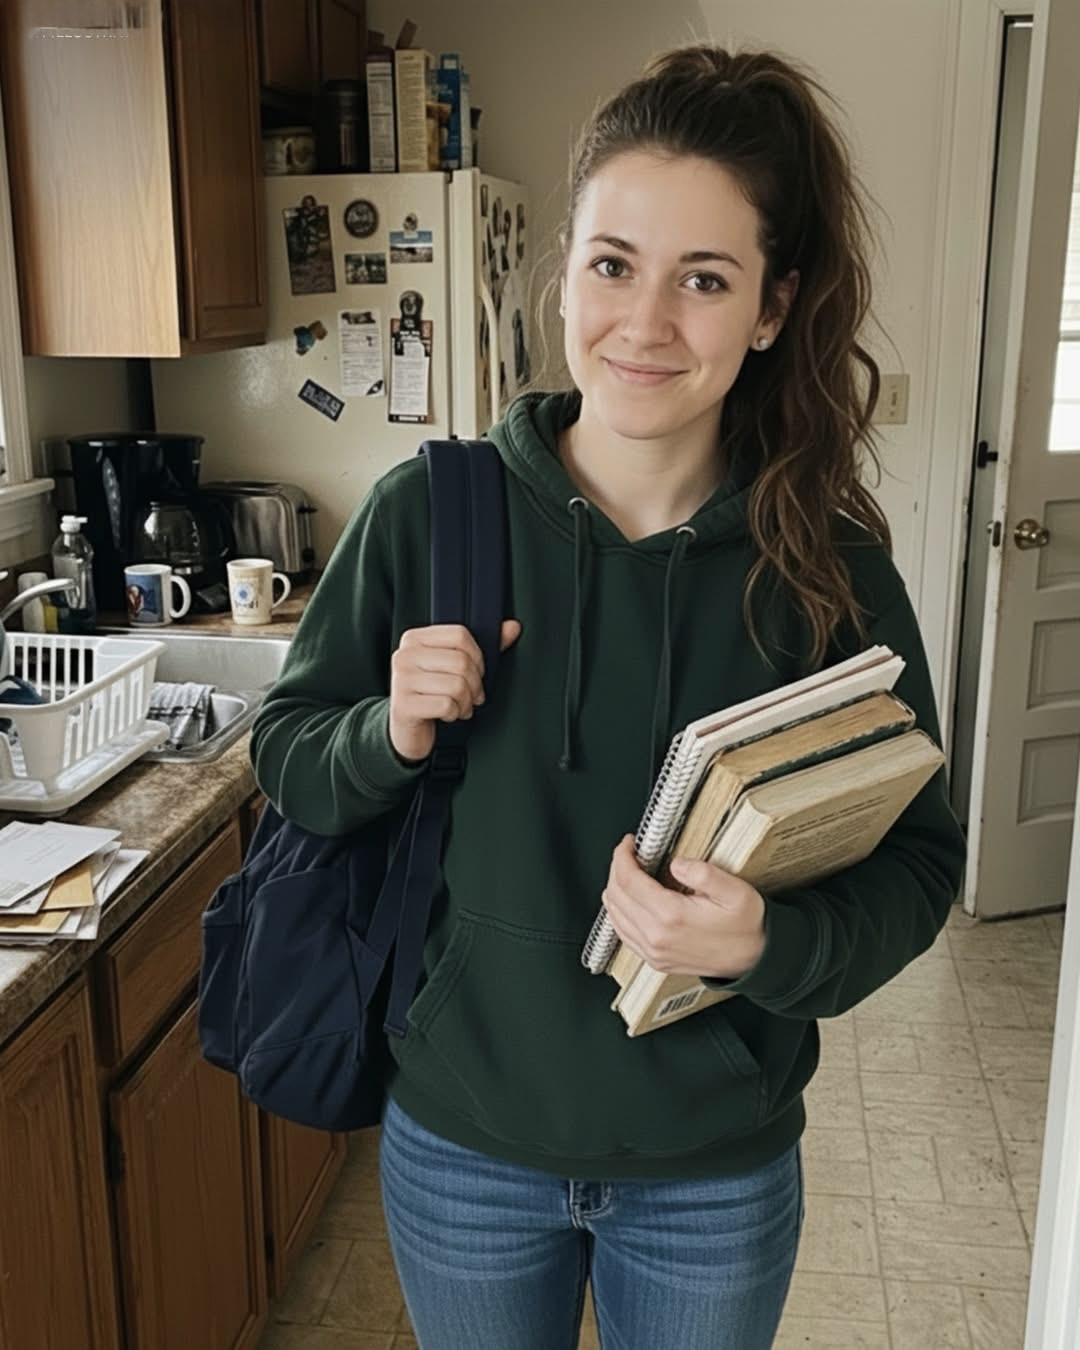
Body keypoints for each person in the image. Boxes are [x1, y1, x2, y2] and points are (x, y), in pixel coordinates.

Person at [251, 43, 967, 1350]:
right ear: (565, 269)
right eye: (614, 264)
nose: (644, 323)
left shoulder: (826, 564)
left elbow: (920, 864)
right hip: (465, 1152)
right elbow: (289, 756)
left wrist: (766, 948)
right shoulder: (431, 516)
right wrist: (387, 732)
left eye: (705, 279)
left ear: (770, 309)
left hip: (713, 1172)